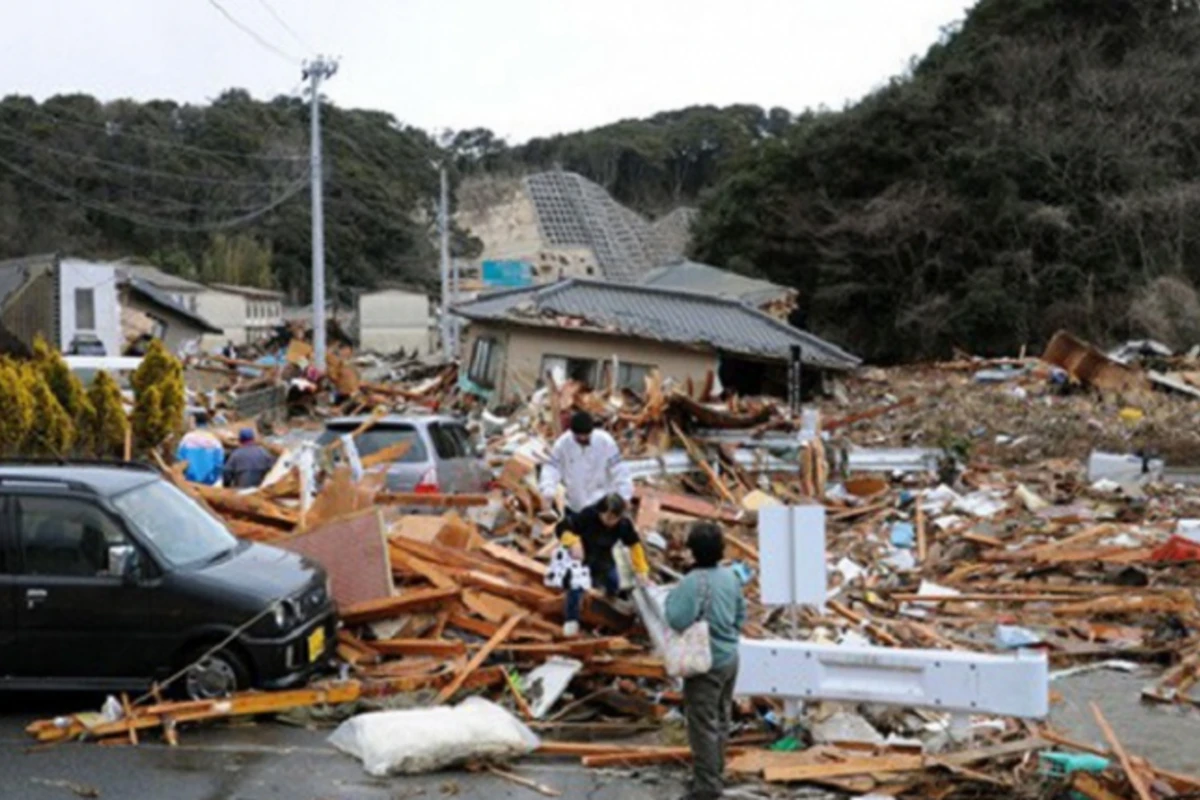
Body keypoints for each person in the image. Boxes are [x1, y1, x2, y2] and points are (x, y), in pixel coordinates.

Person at [665, 523, 747, 800]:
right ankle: (715, 772)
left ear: (693, 551)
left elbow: (676, 618)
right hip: (729, 658)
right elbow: (740, 615)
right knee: (721, 718)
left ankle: (707, 787)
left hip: (704, 660)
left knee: (702, 725)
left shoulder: (693, 581)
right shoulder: (731, 578)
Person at [555, 493, 650, 637]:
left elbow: (634, 545)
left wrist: (641, 569)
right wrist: (572, 541)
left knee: (614, 583)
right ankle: (571, 620)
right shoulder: (588, 515)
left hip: (604, 559)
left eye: (615, 518)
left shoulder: (623, 524)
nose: (611, 522)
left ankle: (605, 608)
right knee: (576, 588)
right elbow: (562, 527)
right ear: (601, 512)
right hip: (583, 557)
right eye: (608, 517)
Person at [538, 411, 632, 517]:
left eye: (586, 436)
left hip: (601, 502)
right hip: (575, 505)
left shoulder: (605, 441)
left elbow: (619, 468)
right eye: (579, 436)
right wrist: (548, 490)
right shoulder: (562, 445)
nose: (583, 439)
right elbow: (552, 468)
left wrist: (625, 495)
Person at [176, 416, 225, 486]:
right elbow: (219, 463)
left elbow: (180, 459)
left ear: (195, 423)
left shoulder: (186, 439)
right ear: (207, 423)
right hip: (210, 484)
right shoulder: (215, 441)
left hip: (189, 483)